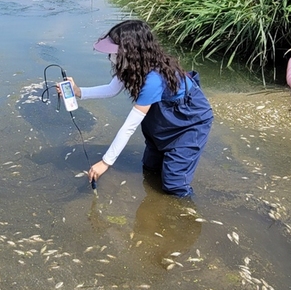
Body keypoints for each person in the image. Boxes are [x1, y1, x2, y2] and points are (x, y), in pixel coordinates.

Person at [66, 19, 213, 198]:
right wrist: (78, 92)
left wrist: (105, 163)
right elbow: (111, 89)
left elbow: (129, 127)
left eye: (115, 52)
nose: (111, 57)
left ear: (131, 52)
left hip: (189, 122)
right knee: (149, 168)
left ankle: (186, 213)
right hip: (161, 118)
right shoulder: (133, 66)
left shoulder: (154, 79)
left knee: (174, 183)